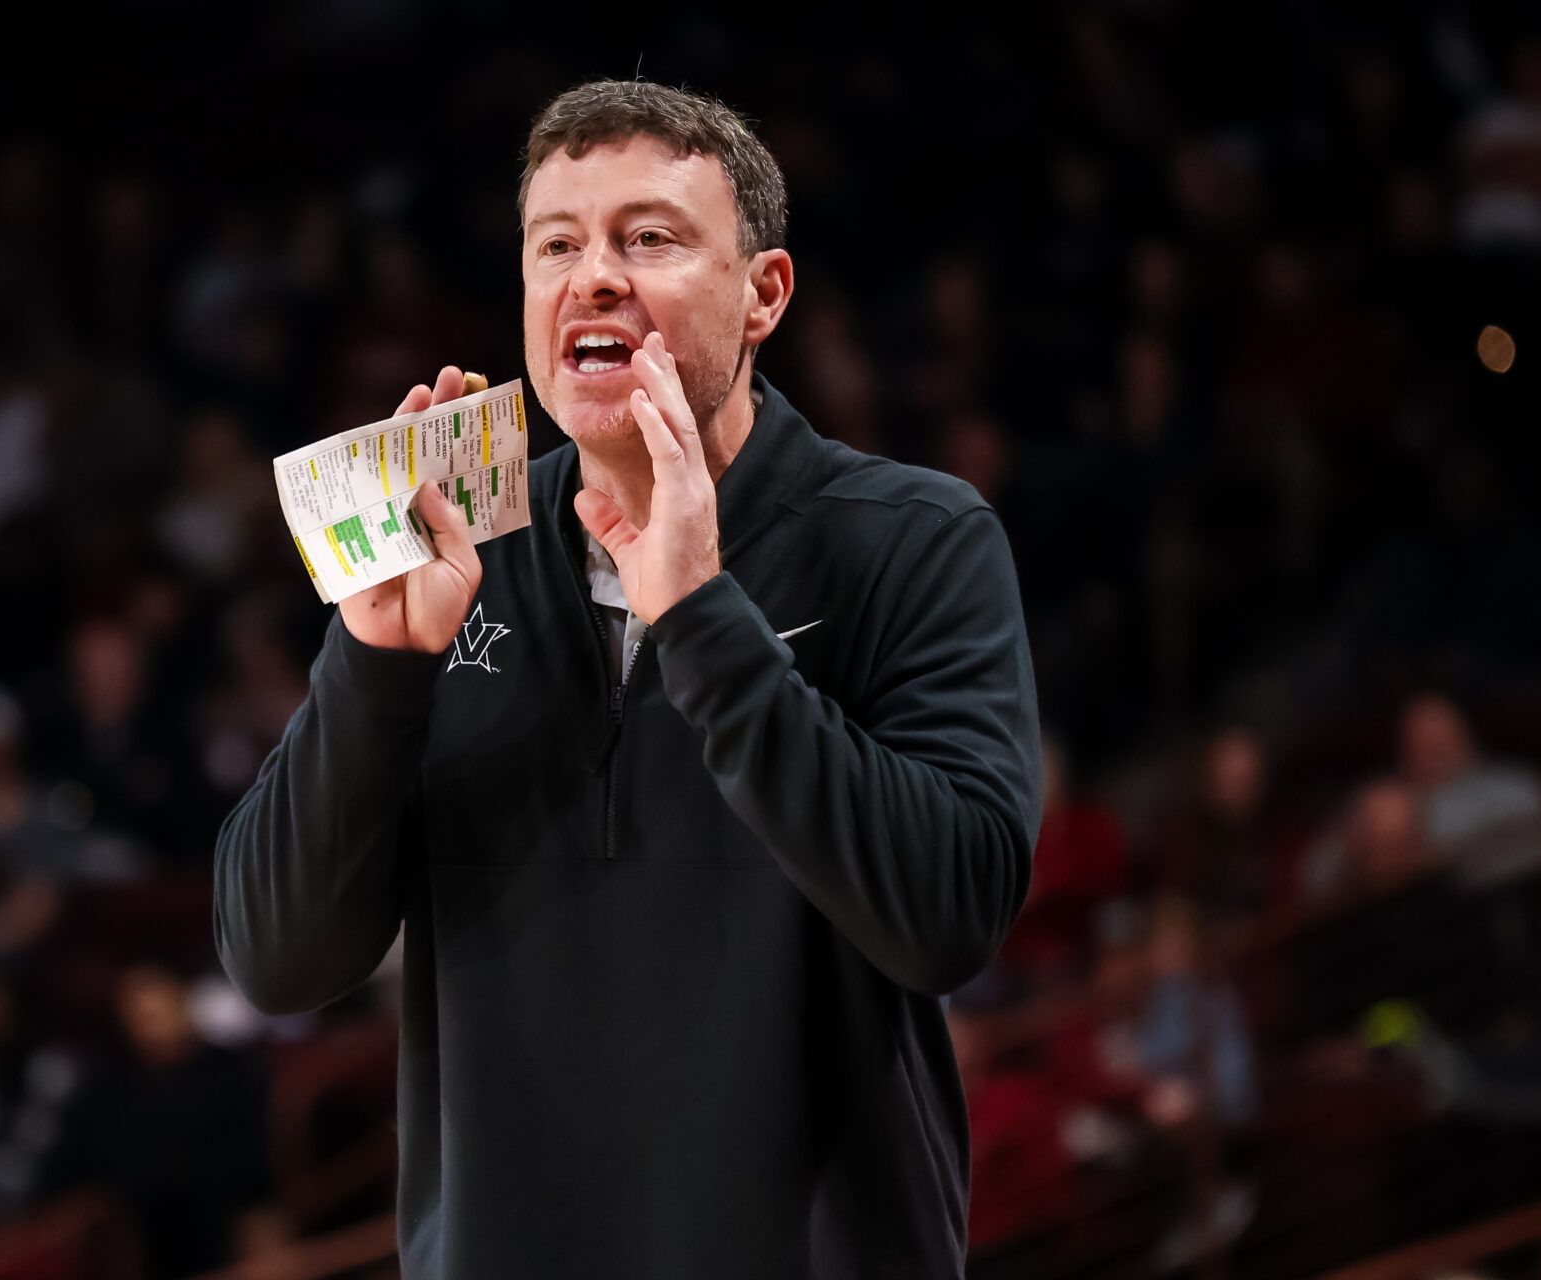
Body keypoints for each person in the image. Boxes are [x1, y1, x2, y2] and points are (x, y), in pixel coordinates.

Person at [215, 80, 1044, 1278]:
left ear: (763, 294)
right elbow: (277, 958)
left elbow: (949, 915)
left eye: (648, 238)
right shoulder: (457, 554)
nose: (593, 276)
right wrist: (375, 666)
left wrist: (704, 618)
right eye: (557, 245)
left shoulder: (913, 539)